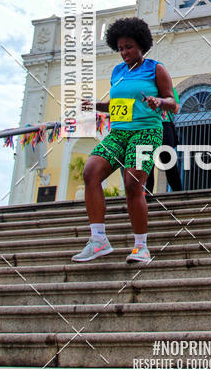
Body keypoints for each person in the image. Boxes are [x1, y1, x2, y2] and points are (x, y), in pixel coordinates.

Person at [71, 17, 176, 264]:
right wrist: (95, 105)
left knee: (132, 183)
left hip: (146, 132)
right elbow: (120, 106)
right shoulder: (117, 72)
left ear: (141, 44)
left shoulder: (155, 68)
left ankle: (141, 247)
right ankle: (98, 241)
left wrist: (159, 101)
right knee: (91, 172)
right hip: (119, 132)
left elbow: (174, 103)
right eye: (120, 48)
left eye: (128, 46)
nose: (124, 52)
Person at [145, 86, 183, 194]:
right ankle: (147, 193)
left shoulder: (168, 89)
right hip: (146, 125)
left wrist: (160, 101)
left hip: (164, 124)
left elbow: (175, 109)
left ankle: (178, 193)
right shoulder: (142, 87)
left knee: (168, 160)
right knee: (146, 161)